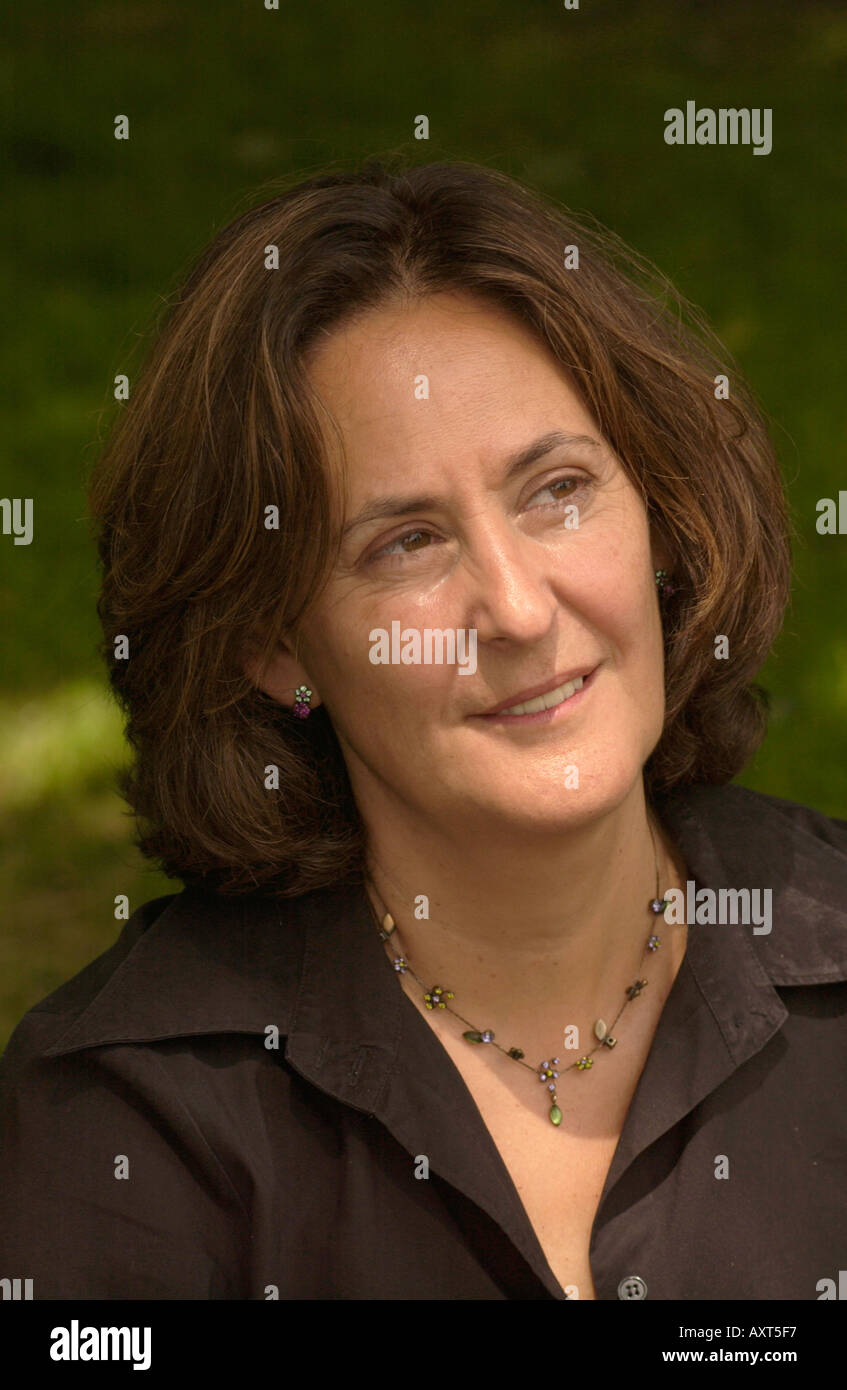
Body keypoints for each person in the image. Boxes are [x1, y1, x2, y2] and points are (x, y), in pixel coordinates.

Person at [1, 158, 845, 1302]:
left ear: (659, 517)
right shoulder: (132, 1118)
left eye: (556, 489)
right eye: (405, 543)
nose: (516, 607)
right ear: (278, 644)